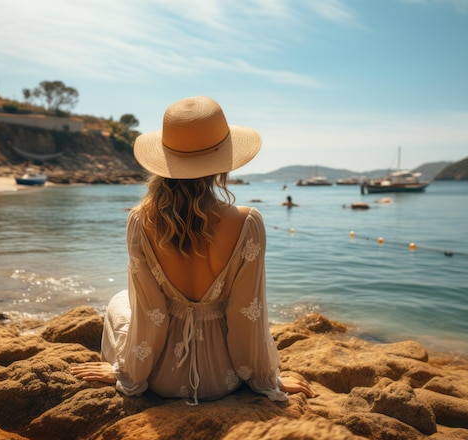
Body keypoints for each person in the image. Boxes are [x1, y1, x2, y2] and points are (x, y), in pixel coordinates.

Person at [71, 96, 313, 405]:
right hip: (223, 379)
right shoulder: (247, 222)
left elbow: (152, 314)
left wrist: (127, 373)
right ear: (221, 164)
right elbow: (246, 316)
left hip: (161, 377)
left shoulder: (140, 220)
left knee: (121, 300)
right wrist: (266, 380)